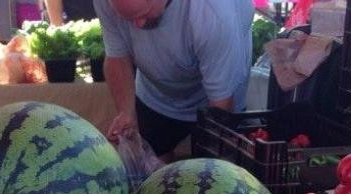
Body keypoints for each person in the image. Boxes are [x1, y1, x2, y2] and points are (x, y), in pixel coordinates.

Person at [94, 0, 254, 160]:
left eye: (143, 14)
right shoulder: (106, 2)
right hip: (155, 95)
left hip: (215, 98)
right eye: (128, 18)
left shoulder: (213, 14)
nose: (138, 25)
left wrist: (212, 159)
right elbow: (117, 55)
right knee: (153, 168)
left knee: (212, 171)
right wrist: (126, 112)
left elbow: (221, 103)